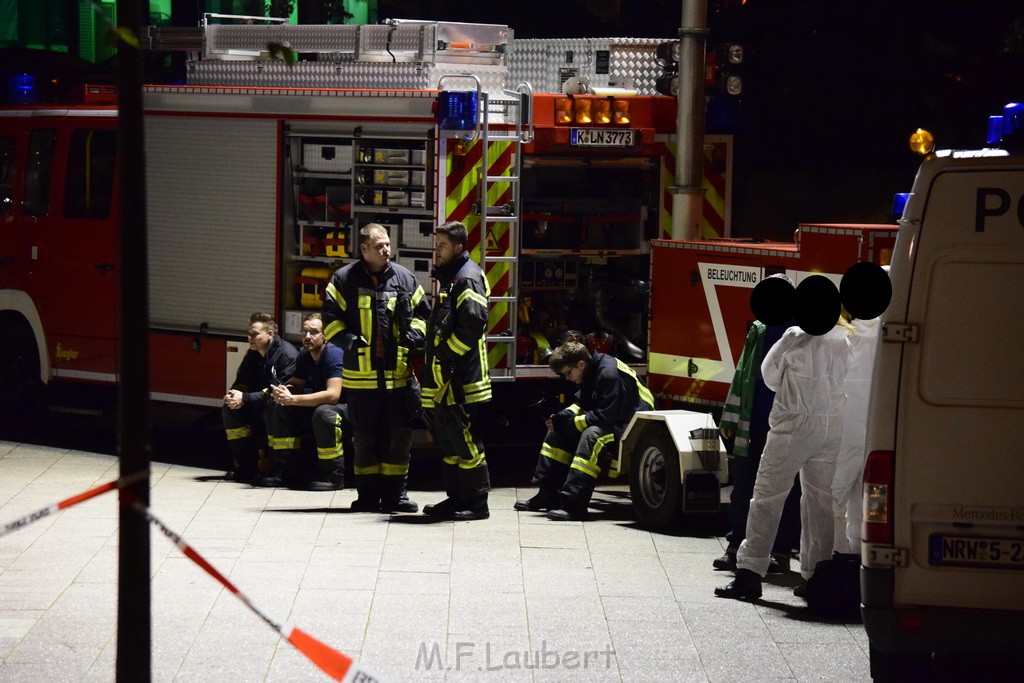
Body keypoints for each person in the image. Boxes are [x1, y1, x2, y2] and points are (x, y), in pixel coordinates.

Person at [716, 318, 851, 600]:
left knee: (767, 497)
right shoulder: (844, 338)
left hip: (792, 427)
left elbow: (769, 376)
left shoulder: (795, 336)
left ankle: (749, 574)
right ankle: (816, 577)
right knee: (819, 502)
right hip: (831, 427)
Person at [321, 223, 430, 512]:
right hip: (362, 382)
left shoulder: (404, 278)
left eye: (387, 244)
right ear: (364, 249)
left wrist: (415, 333)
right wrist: (350, 342)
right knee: (365, 442)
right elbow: (330, 320)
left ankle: (396, 497)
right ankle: (367, 497)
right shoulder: (344, 279)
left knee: (399, 440)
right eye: (379, 245)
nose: (386, 249)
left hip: (398, 379)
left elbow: (423, 315)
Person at [515, 340, 655, 521]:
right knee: (557, 431)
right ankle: (547, 494)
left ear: (580, 364)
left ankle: (575, 505)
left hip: (633, 424)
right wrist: (561, 417)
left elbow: (605, 416)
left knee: (592, 436)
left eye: (568, 373)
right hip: (616, 418)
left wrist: (571, 423)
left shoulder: (607, 373)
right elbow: (583, 404)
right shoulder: (591, 369)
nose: (568, 378)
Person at [717, 317, 802, 575]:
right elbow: (743, 372)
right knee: (744, 486)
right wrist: (730, 415)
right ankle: (735, 546)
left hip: (785, 423)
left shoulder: (802, 330)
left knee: (786, 491)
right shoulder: (759, 328)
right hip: (753, 421)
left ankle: (780, 552)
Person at [420, 221, 492, 521]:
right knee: (450, 445)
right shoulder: (452, 277)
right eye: (436, 245)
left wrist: (446, 354)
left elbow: (473, 325)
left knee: (466, 443)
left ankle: (476, 505)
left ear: (459, 247)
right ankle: (456, 500)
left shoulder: (467, 278)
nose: (437, 252)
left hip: (462, 379)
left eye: (442, 246)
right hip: (446, 379)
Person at [261, 312, 346, 490]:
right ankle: (283, 471)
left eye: (313, 332)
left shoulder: (333, 354)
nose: (307, 337)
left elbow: (333, 395)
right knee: (277, 404)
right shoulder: (304, 354)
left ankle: (333, 477)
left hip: (347, 408)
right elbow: (296, 385)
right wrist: (284, 392)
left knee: (323, 414)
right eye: (304, 332)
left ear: (325, 335)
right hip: (321, 406)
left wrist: (295, 399)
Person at [222, 312, 298, 484]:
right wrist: (235, 395)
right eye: (249, 334)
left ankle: (279, 470)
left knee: (274, 406)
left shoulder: (286, 355)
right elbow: (242, 381)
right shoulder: (253, 354)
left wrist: (246, 398)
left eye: (255, 334)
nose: (250, 338)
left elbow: (279, 392)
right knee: (229, 408)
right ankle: (245, 467)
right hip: (258, 402)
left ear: (270, 334)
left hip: (281, 407)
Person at [832, 314, 880, 553]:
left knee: (833, 500)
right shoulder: (887, 335)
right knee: (867, 503)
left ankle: (836, 557)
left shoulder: (843, 336)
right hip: (876, 433)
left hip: (845, 431)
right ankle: (861, 557)